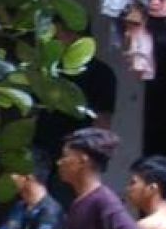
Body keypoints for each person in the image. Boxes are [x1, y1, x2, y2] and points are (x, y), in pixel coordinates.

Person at [34, 23, 117, 207]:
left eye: (59, 35)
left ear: (76, 36)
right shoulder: (48, 70)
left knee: (65, 208)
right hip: (41, 149)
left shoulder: (100, 74)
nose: (54, 41)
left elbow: (102, 121)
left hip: (76, 154)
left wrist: (94, 160)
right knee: (33, 208)